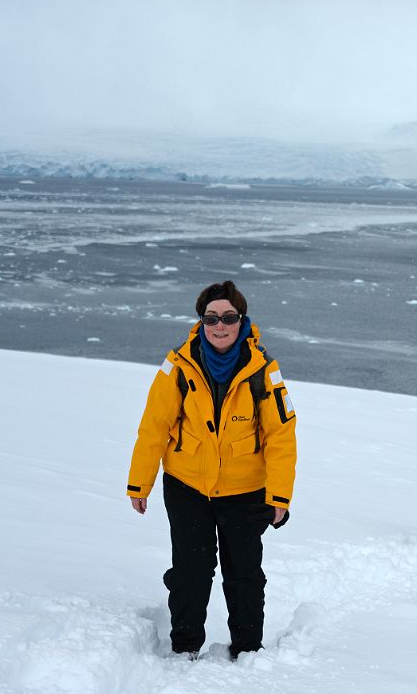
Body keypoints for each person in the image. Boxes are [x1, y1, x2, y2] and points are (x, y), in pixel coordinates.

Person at [127, 281, 297, 661]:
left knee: (244, 574)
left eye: (229, 318)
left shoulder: (263, 371)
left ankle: (248, 648)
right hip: (187, 486)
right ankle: (185, 647)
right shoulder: (178, 365)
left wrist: (279, 496)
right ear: (201, 321)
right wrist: (140, 482)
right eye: (211, 318)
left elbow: (281, 436)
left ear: (242, 320)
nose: (220, 326)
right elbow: (153, 425)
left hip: (244, 490)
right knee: (191, 570)